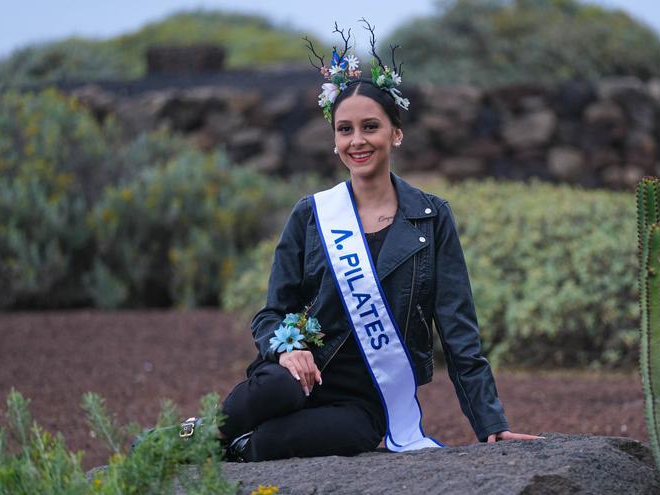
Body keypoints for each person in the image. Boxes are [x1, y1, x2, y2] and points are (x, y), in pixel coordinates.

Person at [212, 25, 542, 462]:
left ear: (395, 134)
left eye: (370, 127)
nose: (357, 141)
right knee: (275, 386)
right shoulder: (311, 215)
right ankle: (186, 440)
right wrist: (288, 349)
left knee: (329, 438)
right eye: (345, 129)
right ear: (334, 140)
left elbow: (458, 329)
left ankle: (240, 448)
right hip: (302, 377)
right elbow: (271, 313)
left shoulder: (431, 216)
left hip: (363, 401)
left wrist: (490, 423)